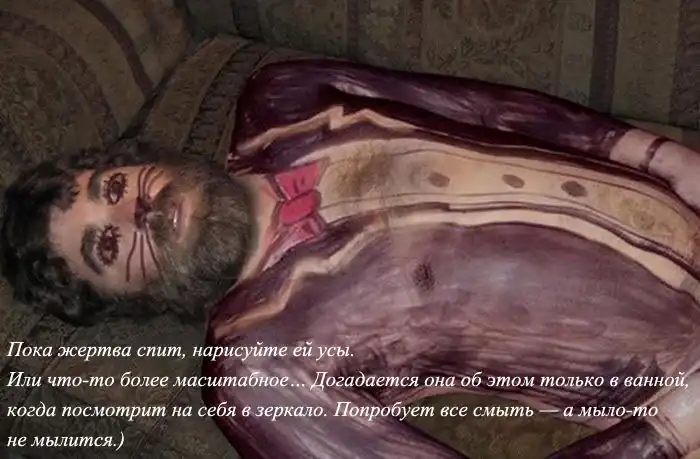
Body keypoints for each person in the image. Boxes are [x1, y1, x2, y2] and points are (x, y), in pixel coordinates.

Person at [2, 60, 700, 459]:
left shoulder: (282, 100)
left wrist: (657, 153)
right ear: (130, 298)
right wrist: (668, 430)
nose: (134, 211)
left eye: (112, 188)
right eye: (107, 244)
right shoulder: (255, 365)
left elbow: (481, 107)